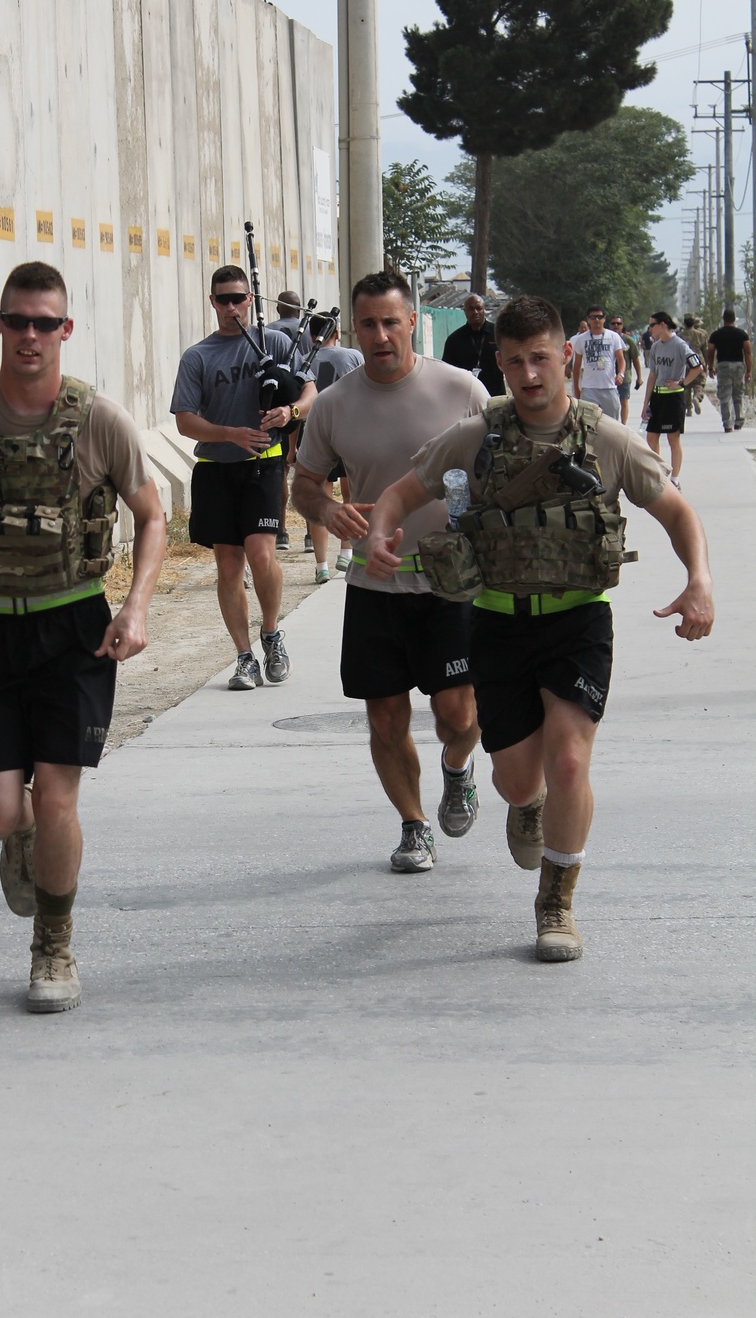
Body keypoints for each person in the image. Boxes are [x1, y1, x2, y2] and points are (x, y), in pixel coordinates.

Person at [363, 294, 714, 963]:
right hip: (496, 624)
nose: (529, 373)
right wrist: (381, 534)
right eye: (516, 361)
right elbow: (402, 494)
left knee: (571, 759)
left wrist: (698, 579)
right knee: (519, 781)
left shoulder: (606, 439)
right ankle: (528, 805)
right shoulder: (476, 436)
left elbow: (676, 511)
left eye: (541, 359)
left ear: (566, 359)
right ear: (500, 362)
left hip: (578, 621)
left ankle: (556, 902)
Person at [0, 261, 166, 1013]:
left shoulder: (99, 420)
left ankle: (53, 946)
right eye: (17, 320)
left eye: (44, 323)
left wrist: (136, 608)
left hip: (74, 627)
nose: (30, 335)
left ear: (65, 330)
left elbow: (153, 516)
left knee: (56, 797)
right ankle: (22, 840)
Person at [292, 270, 488, 874]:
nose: (380, 335)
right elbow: (305, 484)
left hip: (451, 583)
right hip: (375, 583)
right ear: (354, 328)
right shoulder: (333, 405)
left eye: (391, 322)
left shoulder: (462, 390)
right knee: (384, 717)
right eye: (368, 324)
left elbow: (497, 474)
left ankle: (457, 767)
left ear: (412, 323)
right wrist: (328, 509)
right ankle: (413, 825)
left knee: (459, 716)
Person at [170, 265, 317, 690]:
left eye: (238, 298)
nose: (231, 306)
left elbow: (310, 392)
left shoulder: (275, 342)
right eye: (223, 299)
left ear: (251, 299)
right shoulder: (198, 356)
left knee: (262, 555)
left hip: (263, 464)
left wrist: (290, 412)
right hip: (216, 468)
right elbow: (184, 420)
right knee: (229, 564)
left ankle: (271, 634)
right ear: (212, 302)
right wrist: (229, 434)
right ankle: (244, 656)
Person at [299, 313, 363, 582]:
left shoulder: (303, 360)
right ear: (337, 333)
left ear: (311, 336)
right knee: (351, 495)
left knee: (319, 499)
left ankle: (321, 565)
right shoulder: (353, 356)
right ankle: (346, 552)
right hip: (349, 431)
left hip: (314, 433)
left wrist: (292, 449)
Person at [268, 290, 313, 548]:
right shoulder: (307, 332)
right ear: (299, 309)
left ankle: (281, 531)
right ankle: (310, 535)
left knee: (281, 470)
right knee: (310, 473)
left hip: (279, 408)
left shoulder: (269, 332)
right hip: (305, 406)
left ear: (278, 309)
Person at [641, 312, 704, 489]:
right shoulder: (655, 347)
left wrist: (682, 383)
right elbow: (652, 375)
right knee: (651, 437)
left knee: (672, 439)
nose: (650, 329)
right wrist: (646, 403)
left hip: (673, 398)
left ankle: (675, 479)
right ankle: (659, 474)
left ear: (662, 324)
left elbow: (698, 367)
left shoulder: (680, 345)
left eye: (652, 325)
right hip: (657, 397)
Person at [441, 292, 504, 396]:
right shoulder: (454, 340)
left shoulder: (498, 334)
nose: (475, 312)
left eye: (479, 308)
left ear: (484, 310)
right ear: (465, 311)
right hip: (466, 397)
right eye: (471, 309)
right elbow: (447, 372)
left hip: (495, 395)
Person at [570, 304, 625, 421]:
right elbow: (577, 365)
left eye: (599, 317)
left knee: (612, 424)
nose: (596, 320)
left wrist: (621, 374)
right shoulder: (581, 339)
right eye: (593, 317)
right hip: (589, 388)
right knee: (588, 424)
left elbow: (621, 360)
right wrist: (577, 388)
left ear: (604, 318)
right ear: (588, 319)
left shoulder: (614, 337)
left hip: (609, 387)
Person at [707, 308, 752, 432]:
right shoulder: (742, 334)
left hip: (723, 366)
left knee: (724, 396)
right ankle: (739, 422)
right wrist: (749, 371)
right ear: (734, 319)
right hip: (738, 366)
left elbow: (710, 352)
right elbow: (748, 352)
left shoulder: (716, 335)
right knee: (738, 395)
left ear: (723, 319)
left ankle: (727, 424)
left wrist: (710, 368)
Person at [608, 316, 642, 425]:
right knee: (610, 402)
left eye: (618, 324)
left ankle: (623, 425)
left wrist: (639, 377)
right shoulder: (605, 339)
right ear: (609, 325)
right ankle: (611, 424)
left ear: (622, 326)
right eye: (613, 323)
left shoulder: (628, 341)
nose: (616, 326)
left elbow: (635, 359)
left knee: (623, 400)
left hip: (624, 376)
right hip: (608, 376)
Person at [681, 315, 709, 416]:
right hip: (698, 361)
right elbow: (705, 350)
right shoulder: (701, 335)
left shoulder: (679, 336)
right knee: (699, 384)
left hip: (685, 362)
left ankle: (689, 409)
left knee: (685, 386)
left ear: (684, 324)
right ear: (694, 324)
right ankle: (697, 397)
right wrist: (706, 364)